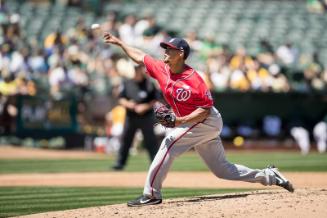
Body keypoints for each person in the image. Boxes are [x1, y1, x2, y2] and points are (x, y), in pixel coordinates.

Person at [103, 33, 294, 207]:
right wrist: (120, 43)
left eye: (169, 49)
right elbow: (139, 56)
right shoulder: (162, 69)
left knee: (169, 143)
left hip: (206, 120)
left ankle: (152, 194)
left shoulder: (194, 79)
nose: (165, 52)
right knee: (222, 170)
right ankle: (269, 176)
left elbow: (204, 110)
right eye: (165, 48)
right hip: (195, 123)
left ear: (180, 53)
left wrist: (179, 121)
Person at [112, 64, 159, 170]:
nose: (139, 70)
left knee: (151, 141)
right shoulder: (127, 83)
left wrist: (145, 106)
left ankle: (155, 164)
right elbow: (121, 98)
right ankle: (120, 163)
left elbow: (155, 99)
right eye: (137, 68)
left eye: (141, 68)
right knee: (126, 140)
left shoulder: (149, 84)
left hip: (146, 117)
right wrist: (130, 105)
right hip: (131, 116)